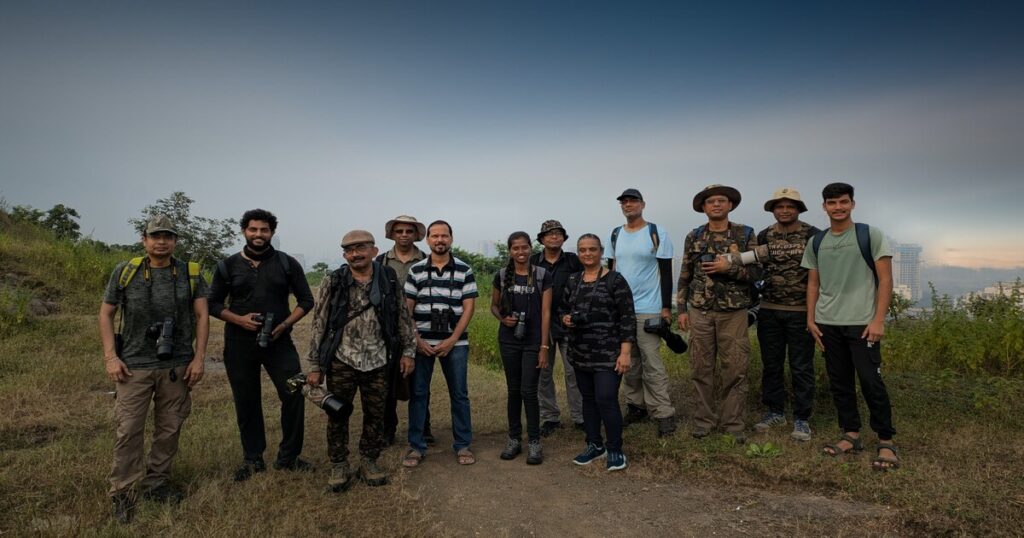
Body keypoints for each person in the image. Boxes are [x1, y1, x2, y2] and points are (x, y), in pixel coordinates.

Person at [98, 215, 209, 523]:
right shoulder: (126, 271)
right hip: (133, 365)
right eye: (156, 236)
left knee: (170, 427)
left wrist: (199, 358)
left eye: (168, 236)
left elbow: (202, 317)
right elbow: (106, 314)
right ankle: (123, 491)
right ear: (143, 239)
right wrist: (111, 357)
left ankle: (157, 483)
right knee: (129, 429)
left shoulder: (190, 272)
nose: (162, 241)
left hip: (176, 365)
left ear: (175, 241)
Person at [207, 209, 315, 481]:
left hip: (280, 341)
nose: (258, 234)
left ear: (272, 233)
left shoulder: (287, 263)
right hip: (238, 343)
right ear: (244, 230)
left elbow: (306, 301)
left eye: (264, 230)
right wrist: (238, 320)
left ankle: (289, 457)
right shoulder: (227, 266)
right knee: (247, 400)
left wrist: (284, 325)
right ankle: (253, 459)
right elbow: (212, 304)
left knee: (294, 391)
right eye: (253, 229)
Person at [306, 230, 416, 491]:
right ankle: (339, 463)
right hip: (342, 360)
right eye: (349, 249)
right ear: (344, 254)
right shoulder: (333, 281)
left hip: (379, 360)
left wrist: (408, 352)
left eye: (360, 248)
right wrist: (315, 365)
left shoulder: (388, 278)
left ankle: (369, 460)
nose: (355, 253)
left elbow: (402, 317)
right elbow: (319, 323)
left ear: (374, 251)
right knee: (337, 413)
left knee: (376, 414)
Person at [802, 182, 899, 471]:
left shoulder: (869, 235)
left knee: (871, 381)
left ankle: (886, 440)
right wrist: (810, 318)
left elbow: (885, 280)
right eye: (832, 203)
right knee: (840, 381)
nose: (838, 207)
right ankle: (851, 434)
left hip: (862, 323)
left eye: (843, 202)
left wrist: (879, 319)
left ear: (852, 204)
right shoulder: (817, 241)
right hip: (828, 322)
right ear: (824, 207)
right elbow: (813, 283)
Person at [677, 185, 761, 442]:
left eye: (721, 200)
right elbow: (685, 274)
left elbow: (757, 274)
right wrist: (682, 309)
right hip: (700, 311)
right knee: (701, 368)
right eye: (710, 201)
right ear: (703, 207)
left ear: (730, 205)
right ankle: (703, 421)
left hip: (733, 313)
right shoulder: (694, 236)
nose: (716, 205)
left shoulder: (745, 234)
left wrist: (729, 267)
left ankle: (733, 424)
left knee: (735, 368)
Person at [403, 220, 478, 467]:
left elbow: (468, 308)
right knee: (418, 394)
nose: (439, 240)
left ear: (451, 239)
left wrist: (453, 338)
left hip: (454, 343)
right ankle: (416, 446)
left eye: (444, 236)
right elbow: (407, 309)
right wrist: (416, 340)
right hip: (422, 342)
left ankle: (463, 444)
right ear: (427, 240)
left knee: (459, 394)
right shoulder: (416, 271)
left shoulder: (464, 270)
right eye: (435, 236)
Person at [747, 189, 821, 441]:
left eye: (790, 206)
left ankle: (802, 418)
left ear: (799, 209)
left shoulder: (813, 235)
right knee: (772, 365)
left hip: (802, 312)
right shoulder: (765, 235)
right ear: (773, 209)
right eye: (780, 206)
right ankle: (775, 410)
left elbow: (821, 272)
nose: (785, 210)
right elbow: (756, 266)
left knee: (801, 366)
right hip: (769, 310)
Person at [561, 234, 635, 471]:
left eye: (592, 249)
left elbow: (627, 318)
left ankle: (615, 448)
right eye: (582, 250)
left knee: (606, 399)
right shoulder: (573, 280)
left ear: (601, 251)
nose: (587, 254)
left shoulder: (615, 280)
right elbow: (563, 309)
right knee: (588, 401)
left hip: (608, 354)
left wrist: (625, 353)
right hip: (580, 352)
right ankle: (594, 445)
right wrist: (566, 319)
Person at [606, 188, 677, 437]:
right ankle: (636, 406)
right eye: (624, 202)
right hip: (621, 310)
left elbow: (666, 272)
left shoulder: (656, 233)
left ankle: (664, 413)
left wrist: (666, 308)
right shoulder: (615, 234)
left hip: (649, 309)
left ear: (643, 204)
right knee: (629, 362)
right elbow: (610, 272)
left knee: (652, 363)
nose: (628, 205)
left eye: (633, 201)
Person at [491, 231, 553, 464]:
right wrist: (503, 319)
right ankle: (514, 439)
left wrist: (544, 346)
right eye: (515, 248)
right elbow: (494, 306)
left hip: (533, 340)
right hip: (508, 340)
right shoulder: (501, 275)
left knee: (529, 391)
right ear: (510, 251)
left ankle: (534, 441)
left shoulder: (541, 275)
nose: (520, 252)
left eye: (524, 247)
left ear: (531, 248)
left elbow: (546, 312)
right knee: (514, 390)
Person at [375, 215, 435, 447]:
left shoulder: (426, 259)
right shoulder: (381, 261)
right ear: (392, 234)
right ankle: (388, 429)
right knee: (387, 381)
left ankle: (423, 427)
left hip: (419, 327)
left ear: (416, 235)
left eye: (409, 231)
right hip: (387, 329)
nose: (404, 235)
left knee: (420, 381)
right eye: (399, 231)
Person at [530, 220, 584, 435]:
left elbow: (585, 286)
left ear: (564, 238)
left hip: (569, 324)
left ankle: (580, 417)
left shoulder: (573, 261)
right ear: (542, 239)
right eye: (549, 234)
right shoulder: (533, 262)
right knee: (543, 372)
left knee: (574, 372)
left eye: (558, 234)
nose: (554, 237)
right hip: (541, 325)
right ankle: (550, 417)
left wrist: (575, 315)